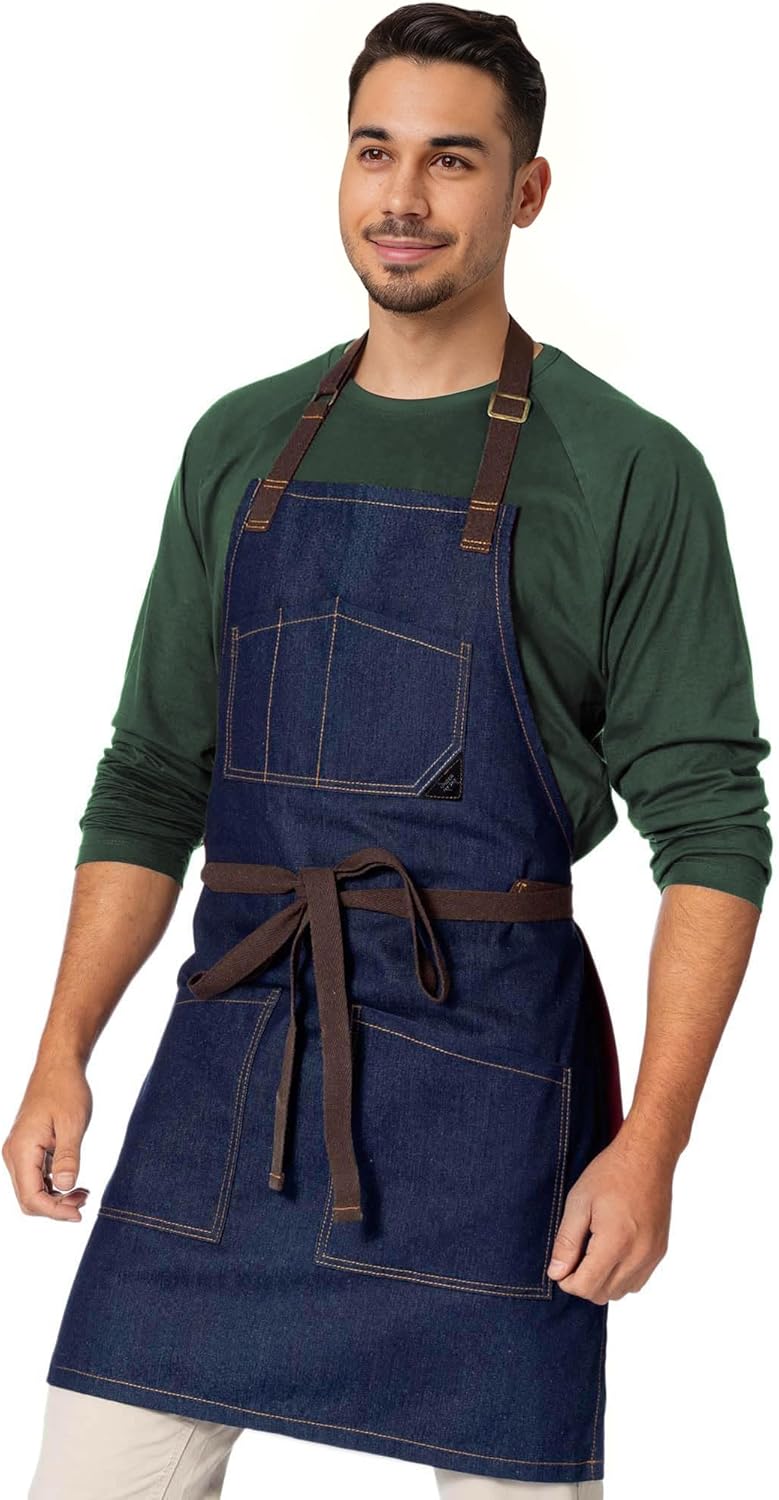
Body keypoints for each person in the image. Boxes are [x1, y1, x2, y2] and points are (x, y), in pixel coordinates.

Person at [6, 5, 770, 1498]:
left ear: (525, 190)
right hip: (234, 1071)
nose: (404, 197)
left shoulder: (629, 470)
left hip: (494, 1097)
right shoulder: (240, 445)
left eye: (452, 160)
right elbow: (152, 777)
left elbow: (713, 829)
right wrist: (60, 1052)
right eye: (376, 151)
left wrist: (654, 1143)